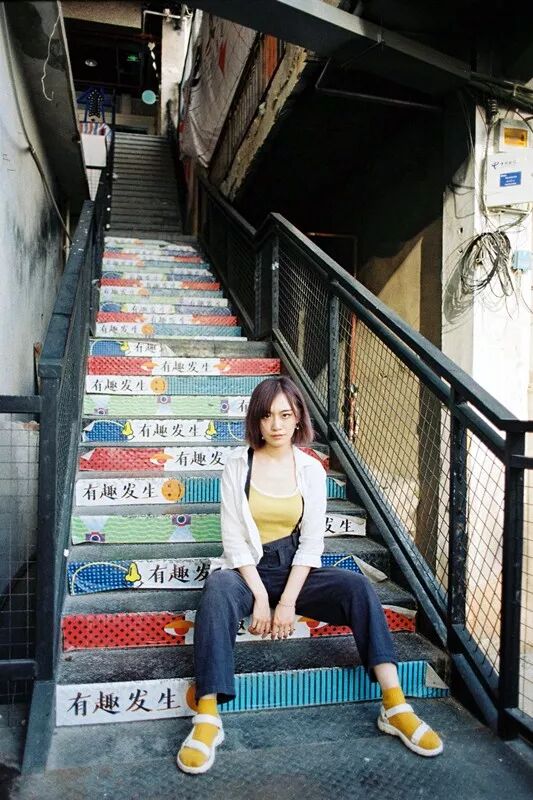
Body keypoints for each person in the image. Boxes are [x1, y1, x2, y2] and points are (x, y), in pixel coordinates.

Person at [177, 376, 443, 774]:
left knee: (358, 587)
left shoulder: (311, 469)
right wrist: (261, 597)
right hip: (248, 568)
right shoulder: (238, 464)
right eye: (267, 416)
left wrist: (286, 601)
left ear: (299, 417)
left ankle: (394, 704)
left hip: (294, 567)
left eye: (285, 415)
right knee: (217, 588)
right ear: (256, 420)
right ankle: (208, 717)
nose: (276, 425)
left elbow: (311, 543)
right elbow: (233, 540)